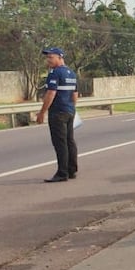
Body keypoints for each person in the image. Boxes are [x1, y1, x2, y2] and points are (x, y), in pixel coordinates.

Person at [36, 47, 78, 182]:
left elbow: (51, 93)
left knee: (60, 143)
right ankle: (72, 170)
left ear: (60, 57)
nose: (48, 60)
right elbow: (75, 95)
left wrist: (42, 112)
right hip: (69, 111)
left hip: (58, 113)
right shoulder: (71, 73)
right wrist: (71, 108)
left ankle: (62, 173)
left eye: (51, 57)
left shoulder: (55, 73)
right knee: (69, 141)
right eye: (47, 58)